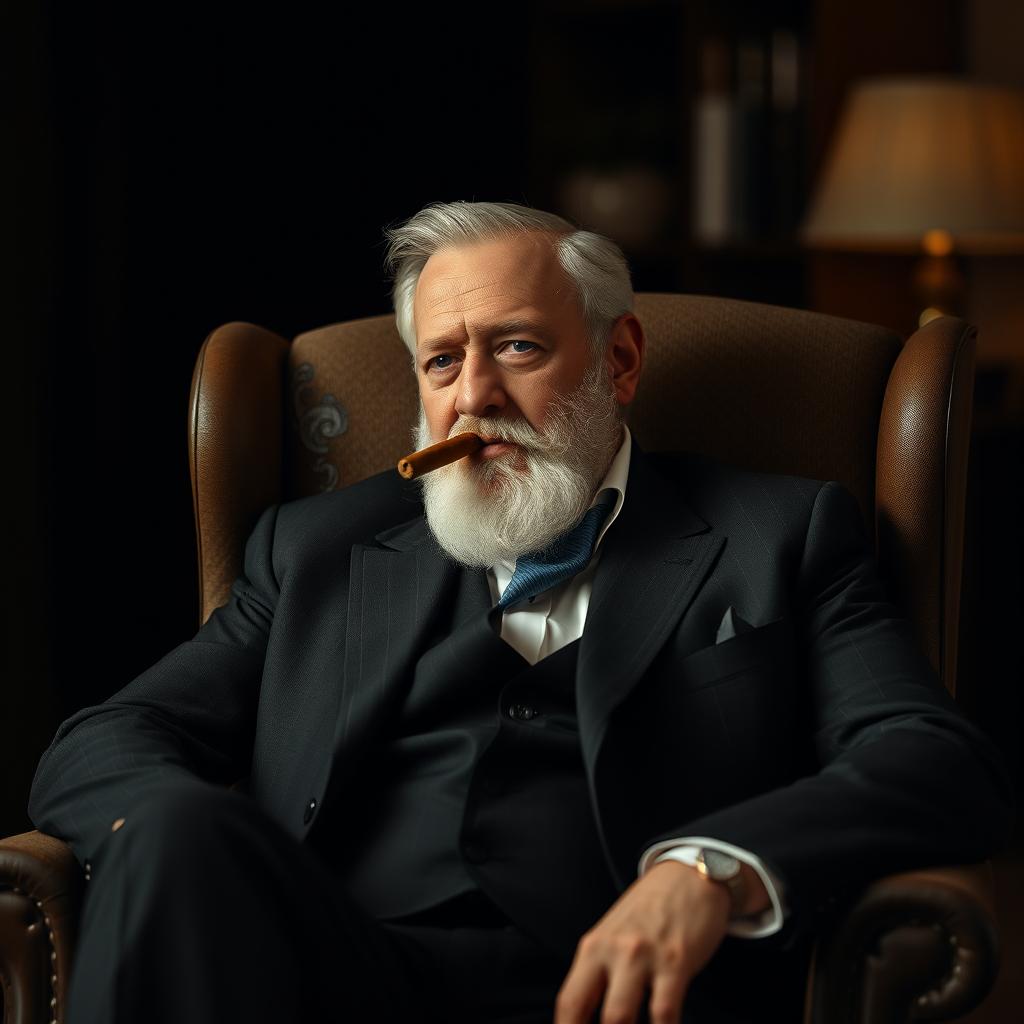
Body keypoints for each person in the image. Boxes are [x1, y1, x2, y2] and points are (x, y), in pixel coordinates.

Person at [29, 201, 1012, 1024]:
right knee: (170, 831)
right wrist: (169, 842)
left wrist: (712, 870)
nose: (474, 397)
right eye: (442, 362)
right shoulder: (314, 548)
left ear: (618, 361)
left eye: (516, 347)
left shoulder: (781, 533)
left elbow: (925, 756)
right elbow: (105, 741)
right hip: (332, 979)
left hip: (616, 999)